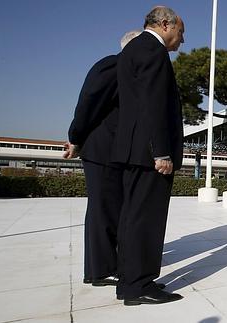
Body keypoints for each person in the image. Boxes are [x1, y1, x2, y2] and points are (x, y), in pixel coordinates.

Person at [111, 6, 184, 305]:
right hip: (149, 153)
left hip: (132, 149)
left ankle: (130, 280)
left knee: (132, 217)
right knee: (146, 220)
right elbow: (153, 106)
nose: (182, 40)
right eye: (181, 32)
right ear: (165, 25)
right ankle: (138, 285)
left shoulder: (132, 49)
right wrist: (162, 151)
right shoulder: (154, 52)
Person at [64, 30, 141, 287]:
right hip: (103, 150)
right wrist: (76, 138)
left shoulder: (132, 73)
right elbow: (88, 104)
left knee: (114, 209)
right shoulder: (113, 66)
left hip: (117, 152)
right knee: (103, 210)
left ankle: (112, 263)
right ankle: (100, 270)